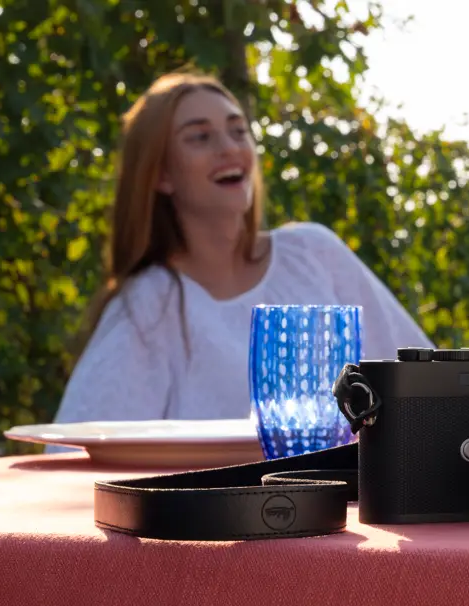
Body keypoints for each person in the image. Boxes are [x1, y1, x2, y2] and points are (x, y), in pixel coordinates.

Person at [53, 71, 432, 424]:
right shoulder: (149, 304)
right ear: (161, 175)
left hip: (350, 494)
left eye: (238, 131)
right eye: (200, 137)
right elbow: (79, 446)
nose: (229, 148)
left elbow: (426, 382)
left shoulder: (312, 254)